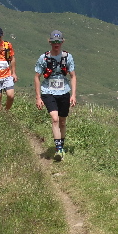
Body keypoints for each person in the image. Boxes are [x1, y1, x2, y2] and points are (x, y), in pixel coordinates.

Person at [34, 30, 77, 161]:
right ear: (50, 42)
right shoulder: (43, 58)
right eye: (53, 42)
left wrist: (73, 95)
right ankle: (58, 149)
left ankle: (61, 146)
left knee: (62, 122)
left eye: (58, 42)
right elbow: (37, 77)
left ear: (62, 42)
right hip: (48, 91)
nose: (56, 44)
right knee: (55, 119)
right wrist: (38, 97)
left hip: (64, 91)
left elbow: (73, 76)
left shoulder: (68, 57)